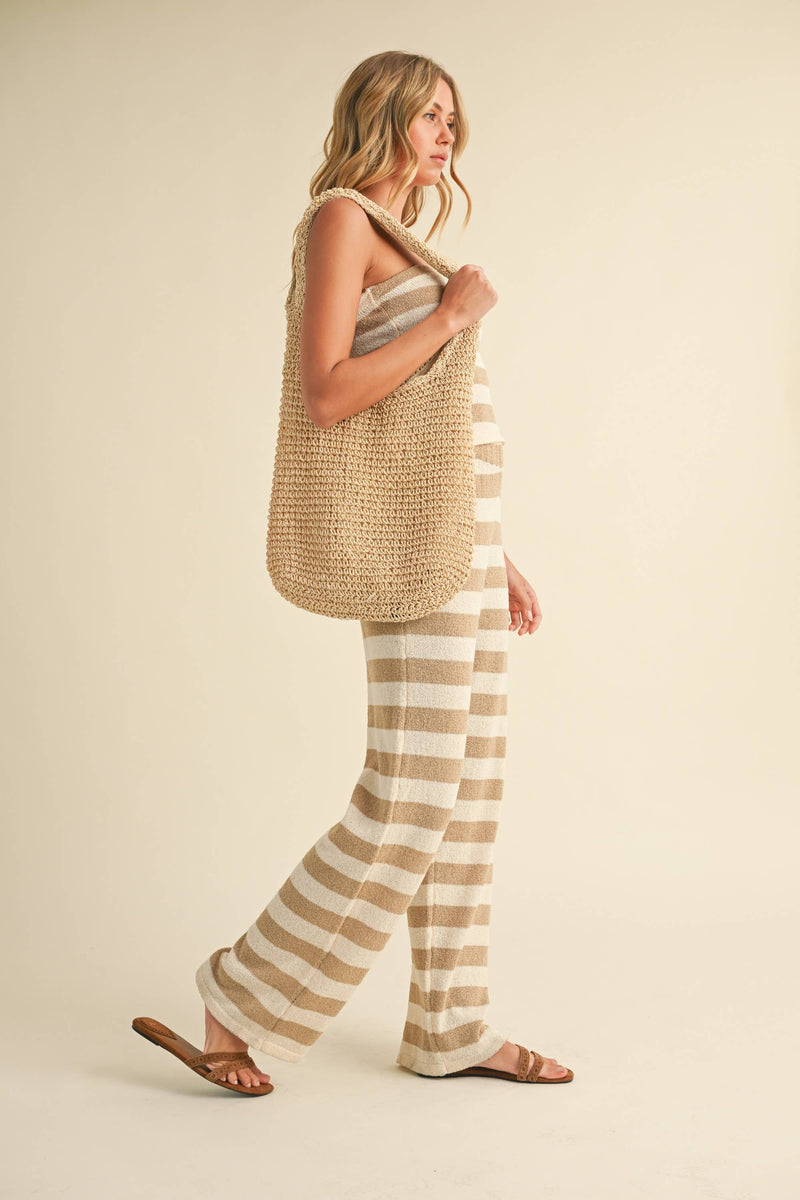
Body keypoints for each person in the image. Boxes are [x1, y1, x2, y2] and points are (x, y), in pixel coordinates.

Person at [133, 50, 573, 1095]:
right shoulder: (339, 220)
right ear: (380, 116)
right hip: (414, 558)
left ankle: (450, 1024)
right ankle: (240, 992)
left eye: (452, 119)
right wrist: (448, 318)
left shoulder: (404, 238)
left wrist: (496, 552)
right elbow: (328, 393)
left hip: (460, 544)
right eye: (428, 115)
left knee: (467, 794)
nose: (446, 134)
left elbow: (425, 431)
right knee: (408, 793)